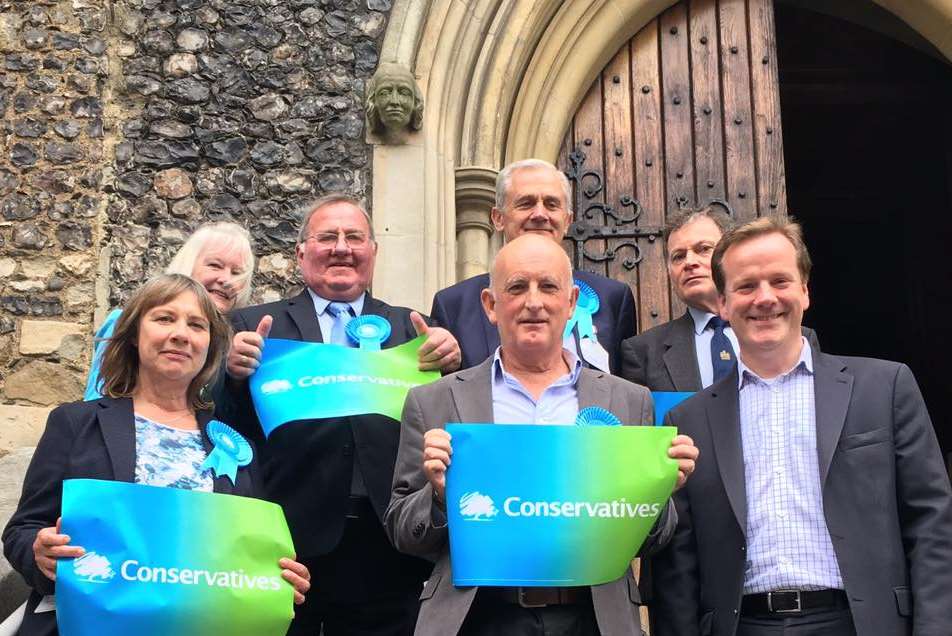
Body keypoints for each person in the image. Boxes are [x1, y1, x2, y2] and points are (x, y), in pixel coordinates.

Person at [651, 217, 952, 636]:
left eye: (780, 281)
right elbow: (679, 567)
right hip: (743, 626)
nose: (765, 298)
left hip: (862, 623)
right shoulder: (688, 420)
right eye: (746, 286)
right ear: (722, 303)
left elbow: (932, 522)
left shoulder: (885, 388)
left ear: (805, 291)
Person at [385, 233, 699, 636]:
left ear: (570, 304)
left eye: (548, 286)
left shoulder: (629, 401)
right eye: (517, 287)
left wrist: (656, 494)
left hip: (593, 619)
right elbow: (401, 529)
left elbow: (651, 541)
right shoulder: (433, 401)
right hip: (477, 618)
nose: (533, 301)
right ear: (490, 305)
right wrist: (440, 497)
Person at [2, 274, 310, 636]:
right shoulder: (75, 422)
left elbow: (246, 554)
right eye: (165, 318)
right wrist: (41, 554)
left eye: (197, 325)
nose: (180, 334)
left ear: (210, 347)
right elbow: (22, 531)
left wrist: (281, 576)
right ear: (134, 334)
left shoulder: (233, 444)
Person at [222, 194, 462, 635]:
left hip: (389, 544)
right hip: (287, 541)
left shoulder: (414, 329)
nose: (341, 247)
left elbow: (447, 417)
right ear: (300, 253)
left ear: (373, 251)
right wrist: (231, 374)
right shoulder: (253, 327)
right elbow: (221, 426)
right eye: (327, 236)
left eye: (354, 237)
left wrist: (452, 365)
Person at [430, 158, 637, 374]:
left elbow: (626, 390)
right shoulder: (453, 305)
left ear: (567, 220)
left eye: (551, 204)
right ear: (498, 218)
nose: (540, 214)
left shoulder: (613, 298)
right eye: (526, 203)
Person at [620, 206, 819, 392]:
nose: (689, 262)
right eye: (678, 256)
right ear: (669, 272)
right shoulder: (643, 352)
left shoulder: (800, 338)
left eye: (703, 249)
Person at [84, 221, 255, 400]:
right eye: (215, 265)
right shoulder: (128, 322)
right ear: (189, 264)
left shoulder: (238, 346)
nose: (226, 279)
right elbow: (97, 405)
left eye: (236, 273)